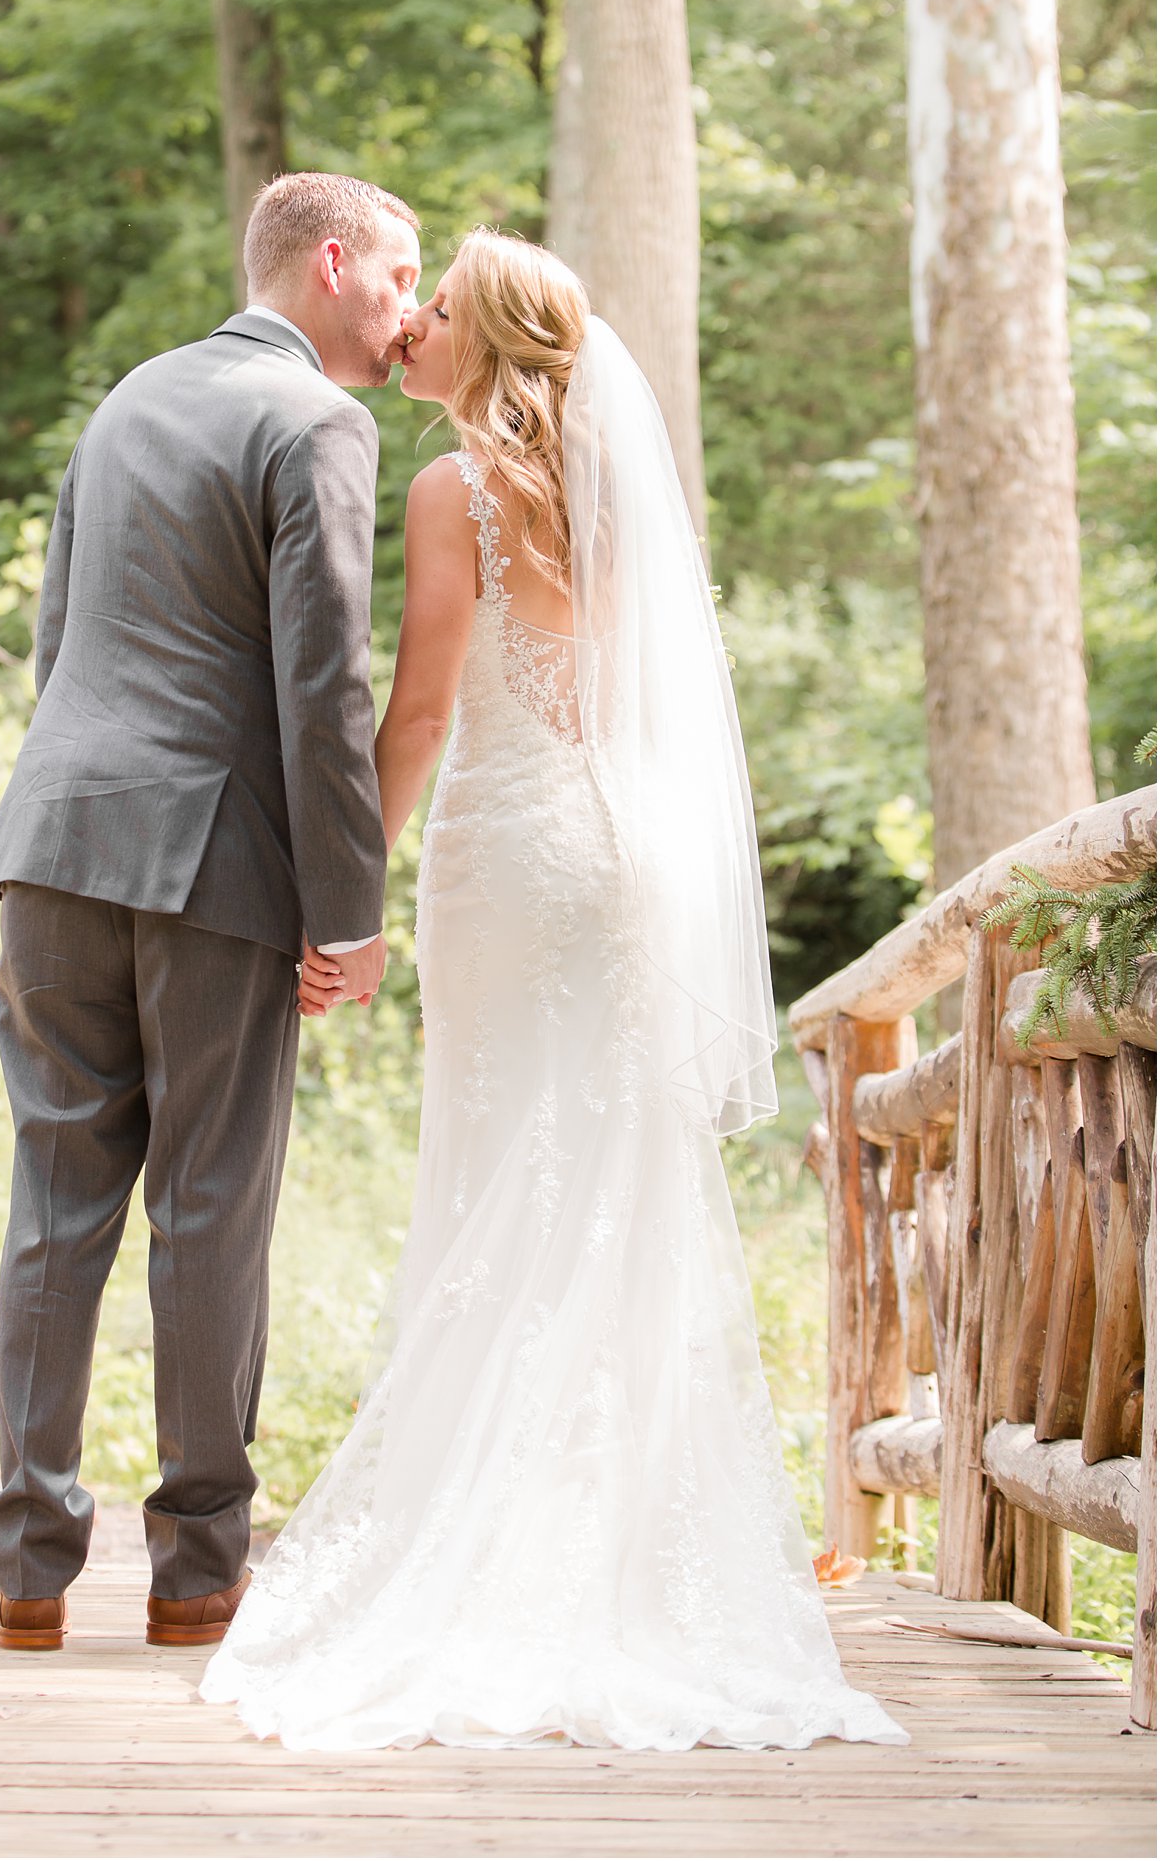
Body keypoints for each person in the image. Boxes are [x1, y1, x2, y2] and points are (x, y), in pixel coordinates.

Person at [202, 230, 908, 1751]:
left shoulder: (455, 494)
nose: (414, 329)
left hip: (515, 868)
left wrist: (348, 900)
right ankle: (625, 1563)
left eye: (436, 310)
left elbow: (425, 714)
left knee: (497, 1190)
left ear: (492, 341)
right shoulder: (611, 495)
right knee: (615, 1195)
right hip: (629, 868)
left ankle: (498, 1555)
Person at [0, 172, 420, 1651]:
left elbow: (59, 640)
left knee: (55, 1200)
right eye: (401, 278)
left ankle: (28, 1568)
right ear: (334, 261)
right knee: (211, 1208)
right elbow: (325, 682)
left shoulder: (126, 402)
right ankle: (196, 1571)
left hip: (51, 843)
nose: (409, 316)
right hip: (212, 866)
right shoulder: (317, 424)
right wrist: (346, 908)